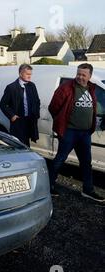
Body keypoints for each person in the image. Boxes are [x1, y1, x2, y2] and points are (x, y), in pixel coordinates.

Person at [48, 63, 104, 202]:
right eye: (78, 73)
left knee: (86, 163)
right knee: (60, 160)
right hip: (69, 132)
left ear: (89, 76)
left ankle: (88, 190)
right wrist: (62, 122)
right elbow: (53, 107)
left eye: (83, 75)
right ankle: (48, 186)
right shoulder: (66, 88)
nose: (80, 77)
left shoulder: (91, 88)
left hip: (85, 134)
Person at [0, 64, 40, 146]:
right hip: (18, 121)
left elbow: (37, 101)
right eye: (27, 74)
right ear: (20, 73)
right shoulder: (11, 87)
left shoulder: (32, 86)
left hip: (30, 120)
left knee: (27, 144)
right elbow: (2, 104)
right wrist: (12, 116)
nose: (29, 76)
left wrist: (36, 114)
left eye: (30, 74)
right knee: (18, 145)